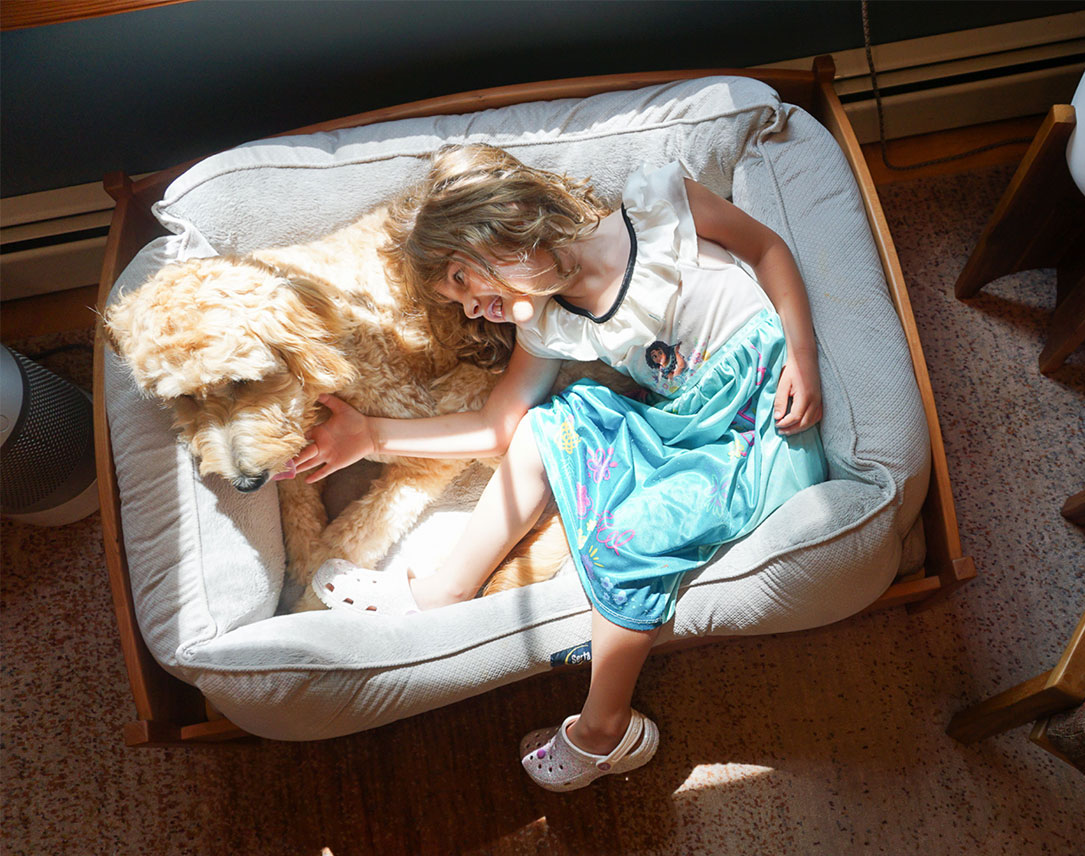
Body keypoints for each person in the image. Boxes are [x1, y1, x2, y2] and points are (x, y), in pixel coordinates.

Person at [294, 144, 827, 791]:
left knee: (632, 530)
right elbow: (498, 425)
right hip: (681, 426)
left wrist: (802, 351)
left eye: (464, 281)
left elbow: (768, 248)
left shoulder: (661, 207)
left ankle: (606, 730)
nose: (473, 308)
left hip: (758, 433)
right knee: (553, 423)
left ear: (500, 224)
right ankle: (442, 590)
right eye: (460, 302)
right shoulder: (549, 323)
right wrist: (372, 434)